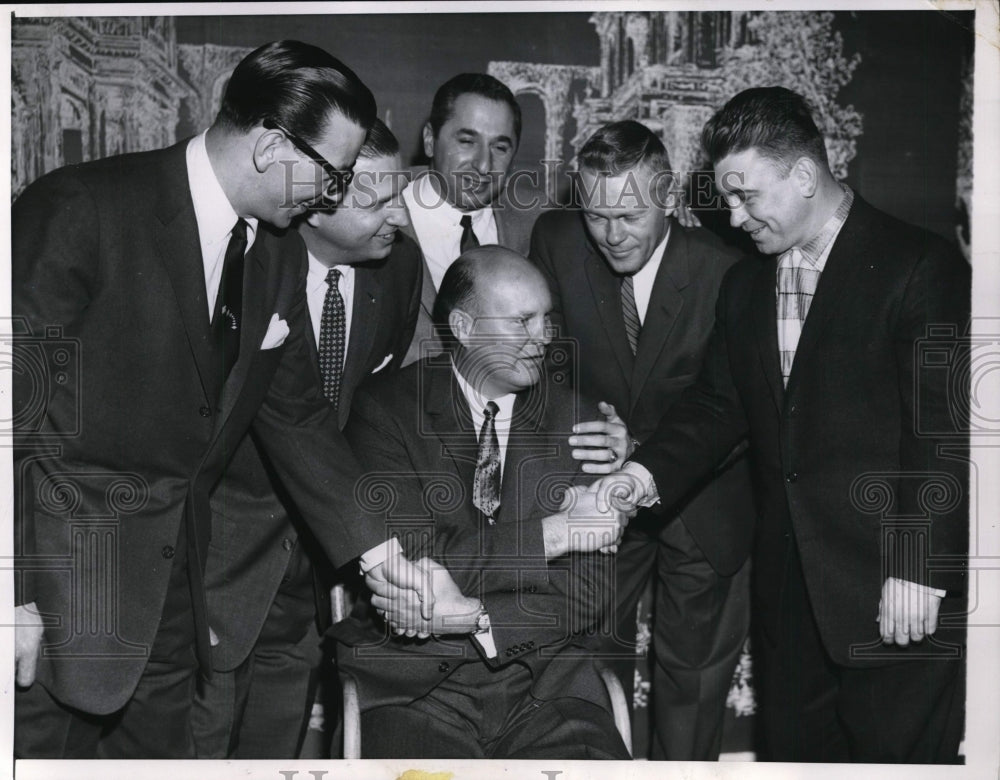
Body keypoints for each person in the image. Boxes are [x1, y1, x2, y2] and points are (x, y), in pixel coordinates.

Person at [12, 41, 428, 759]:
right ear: (272, 144)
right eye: (332, 177)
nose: (330, 199)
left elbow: (296, 417)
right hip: (47, 605)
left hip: (173, 613)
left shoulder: (273, 253)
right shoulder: (82, 208)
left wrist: (385, 557)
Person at [592, 87, 969, 763]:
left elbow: (939, 436)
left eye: (745, 195)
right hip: (791, 601)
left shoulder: (921, 266)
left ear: (803, 175)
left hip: (895, 588)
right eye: (726, 197)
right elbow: (717, 406)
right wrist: (639, 476)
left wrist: (914, 566)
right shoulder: (745, 287)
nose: (733, 218)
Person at [332, 247, 631, 759]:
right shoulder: (387, 410)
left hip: (549, 688)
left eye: (546, 318)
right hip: (416, 690)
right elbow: (410, 563)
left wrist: (475, 617)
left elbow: (588, 587)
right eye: (522, 321)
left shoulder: (581, 421)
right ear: (464, 326)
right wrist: (554, 533)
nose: (544, 338)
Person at [191, 119, 422, 758]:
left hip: (319, 561)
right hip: (217, 556)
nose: (399, 216)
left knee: (278, 738)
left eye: (398, 193)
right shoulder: (242, 264)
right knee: (199, 744)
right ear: (316, 205)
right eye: (377, 200)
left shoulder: (399, 268)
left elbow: (372, 404)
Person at [529, 119, 754, 760]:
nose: (611, 235)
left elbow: (733, 409)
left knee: (693, 683)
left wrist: (641, 449)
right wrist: (591, 429)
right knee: (589, 672)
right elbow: (541, 367)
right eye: (597, 215)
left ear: (668, 198)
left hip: (705, 502)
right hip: (593, 495)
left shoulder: (726, 271)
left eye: (628, 215)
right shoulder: (557, 240)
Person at [401, 73, 535, 364]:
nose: (484, 166)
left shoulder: (538, 223)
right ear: (429, 140)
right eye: (466, 141)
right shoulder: (376, 208)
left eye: (500, 147)